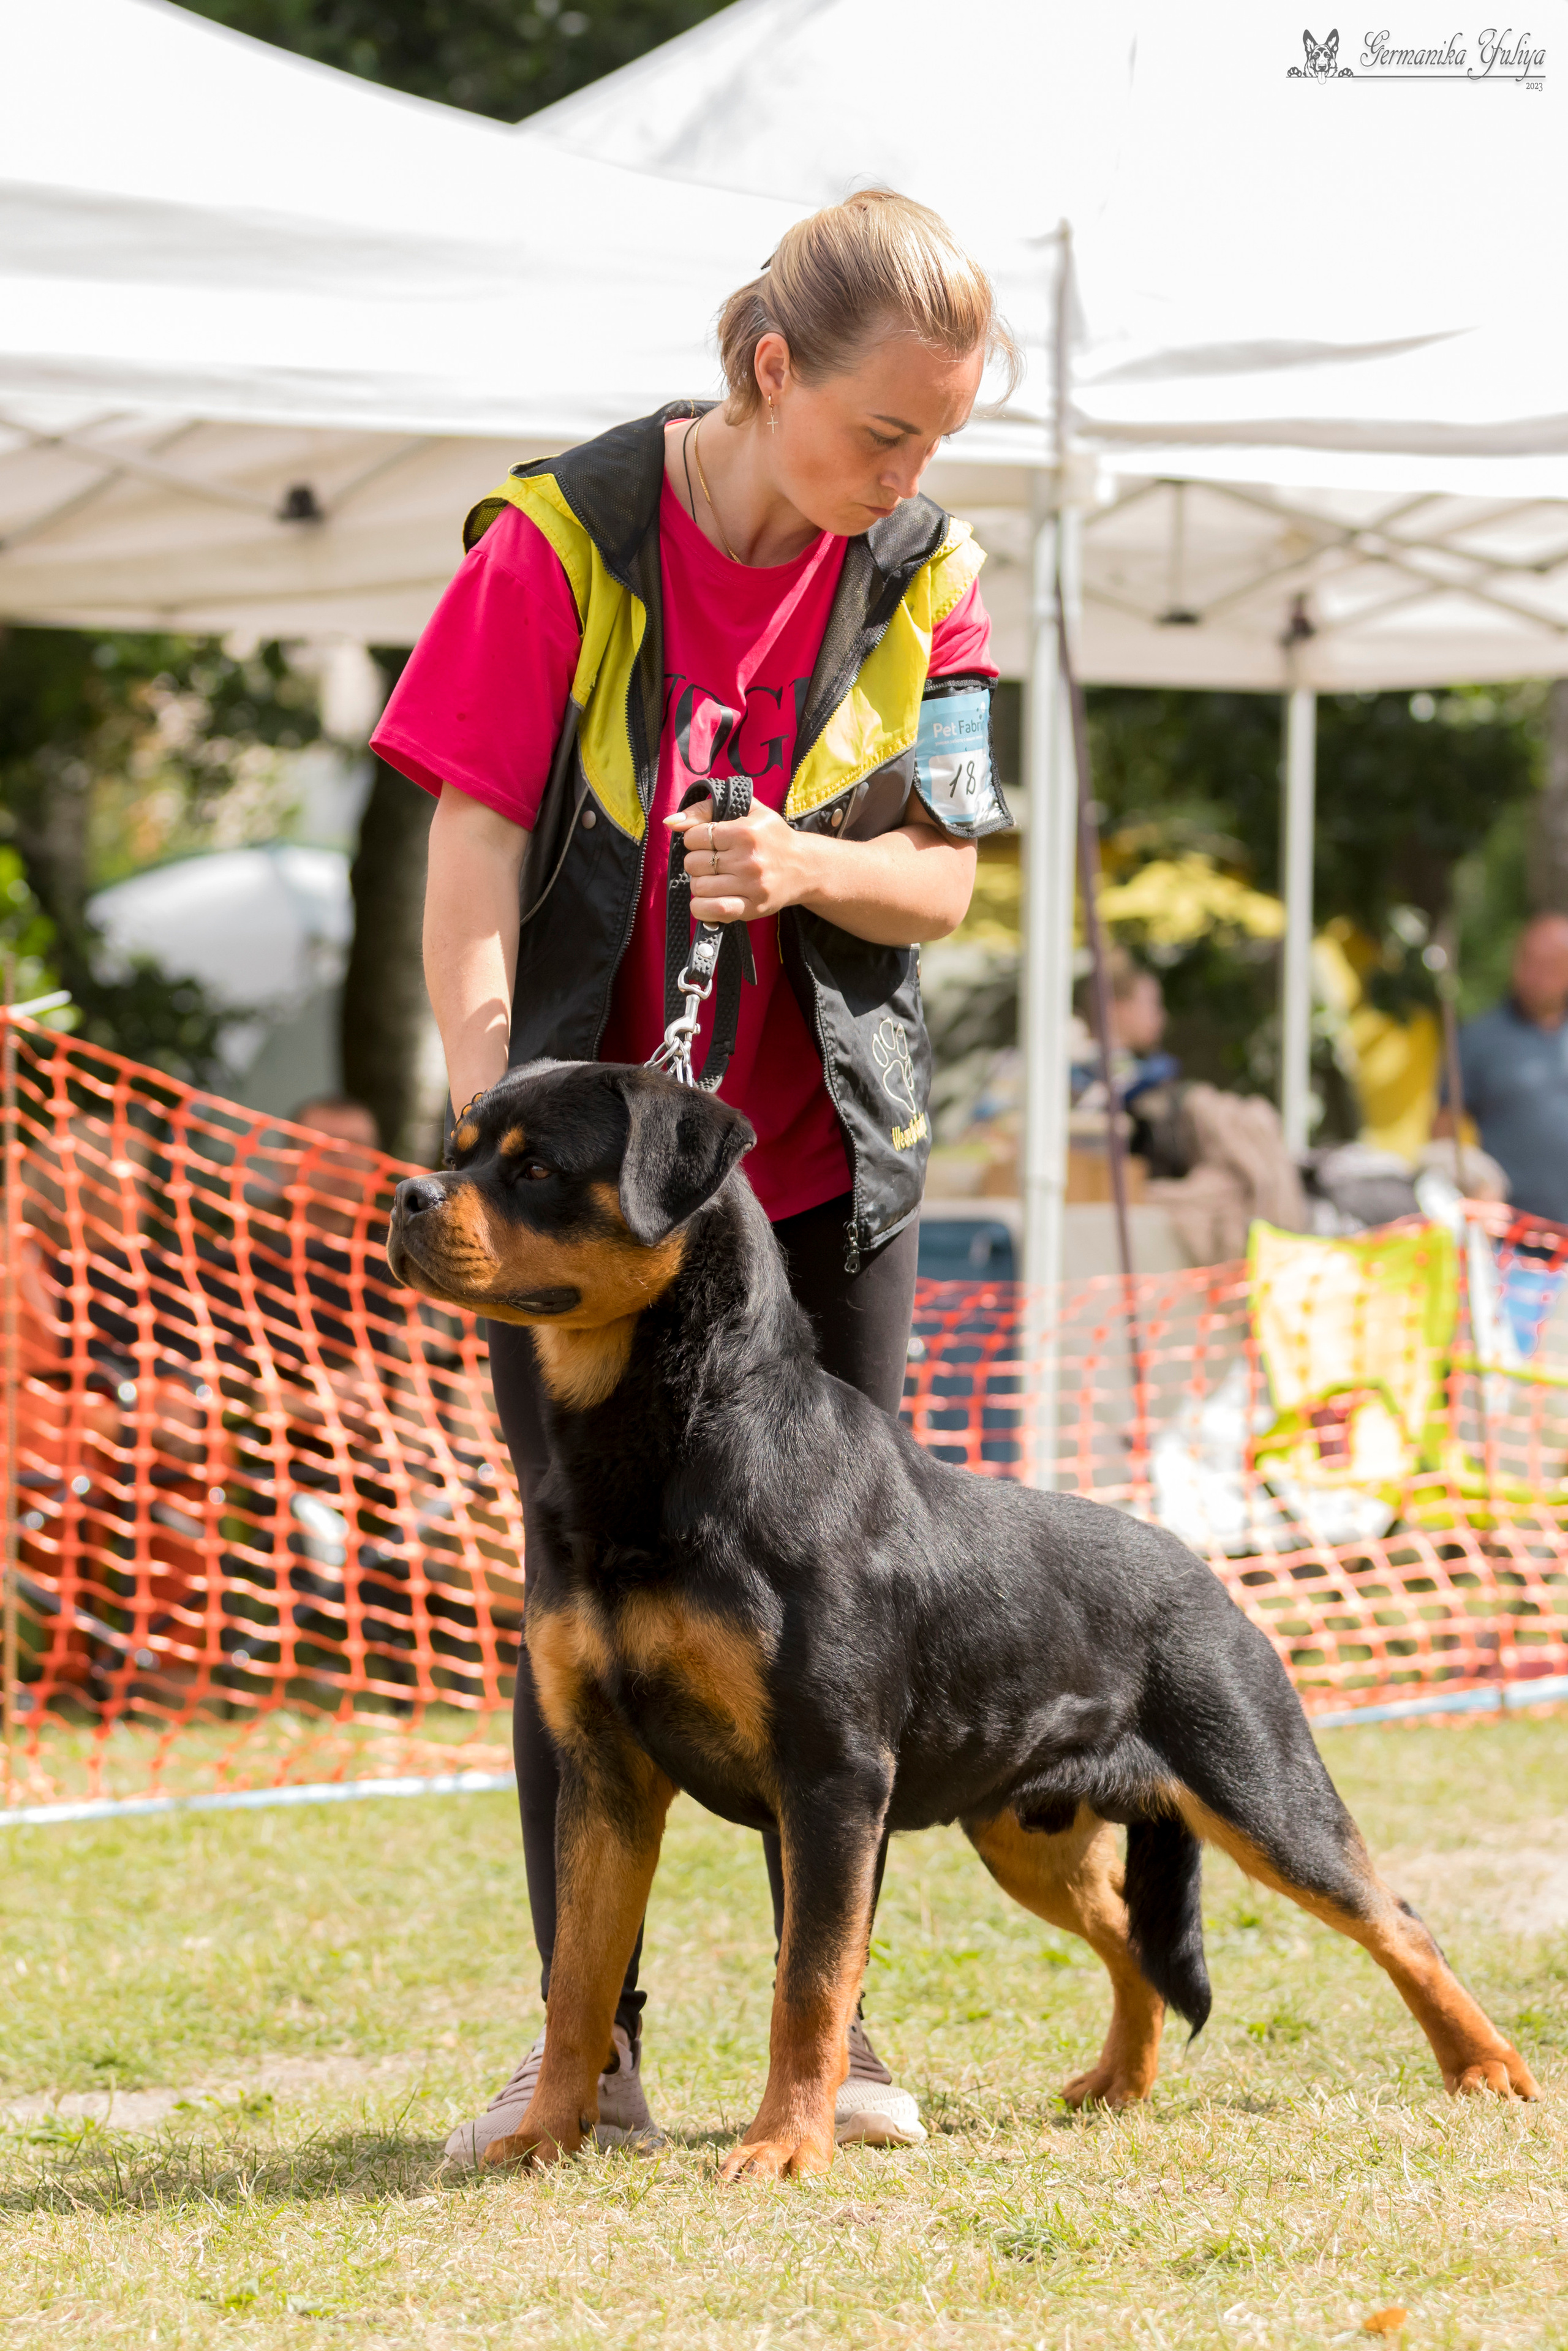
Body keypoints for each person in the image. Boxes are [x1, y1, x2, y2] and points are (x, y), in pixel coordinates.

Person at [371, 189, 1016, 2165]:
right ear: (767, 372)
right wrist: (502, 1121)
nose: (908, 473)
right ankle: (596, 2047)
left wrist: (814, 862)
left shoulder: (928, 571)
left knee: (840, 1618)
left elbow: (950, 874)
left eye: (937, 438)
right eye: (882, 430)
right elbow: (471, 857)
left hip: (815, 1182)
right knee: (586, 1607)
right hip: (588, 1210)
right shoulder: (561, 542)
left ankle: (837, 2034)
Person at [1446, 913, 1568, 1226]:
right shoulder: (1477, 1038)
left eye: (1550, 965)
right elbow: (1444, 1134)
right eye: (1528, 961)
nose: (1534, 975)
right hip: (1510, 1241)